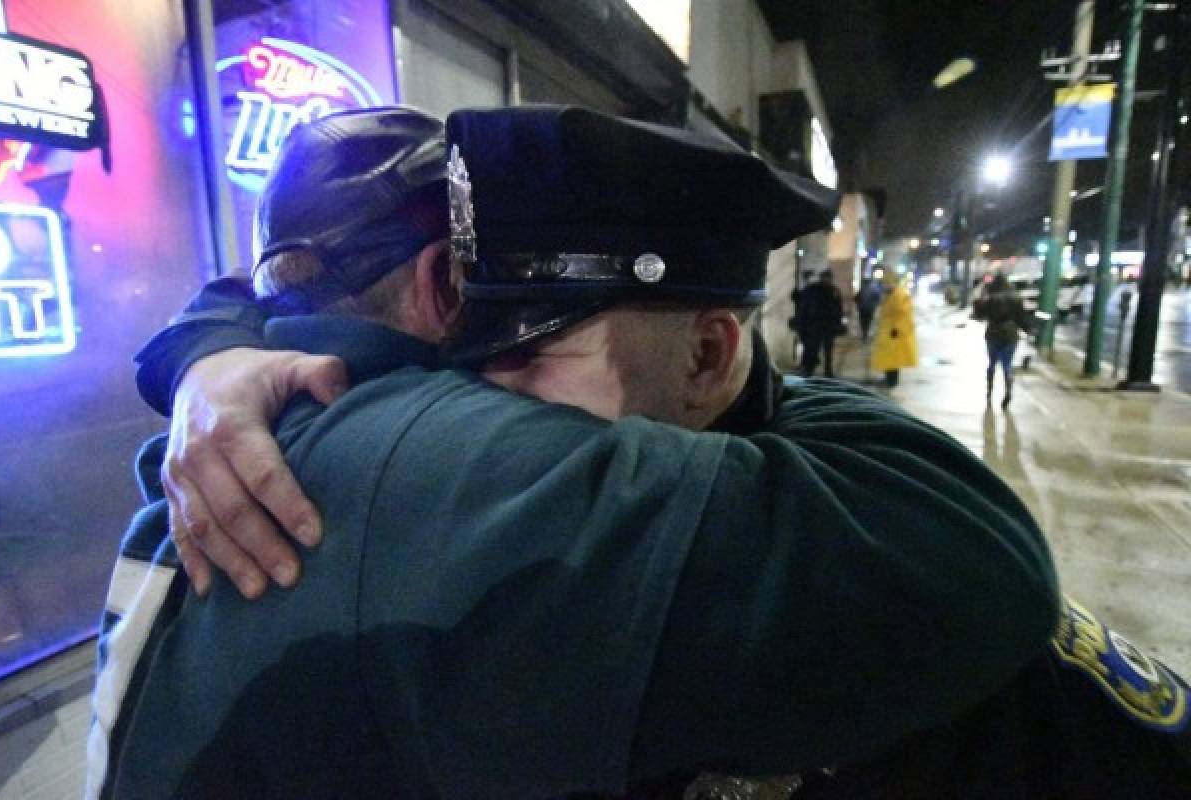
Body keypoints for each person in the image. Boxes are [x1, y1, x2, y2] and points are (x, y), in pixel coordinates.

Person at [92, 106, 1060, 798]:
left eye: (527, 352)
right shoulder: (433, 467)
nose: (491, 394)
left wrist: (208, 348)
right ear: (441, 282)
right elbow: (979, 550)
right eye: (485, 340)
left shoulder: (272, 405)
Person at [972, 271, 1026, 409]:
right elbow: (1022, 318)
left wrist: (981, 293)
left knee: (991, 364)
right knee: (1007, 365)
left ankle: (989, 393)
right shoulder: (1015, 298)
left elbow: (978, 314)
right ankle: (1008, 391)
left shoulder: (991, 298)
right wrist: (1027, 329)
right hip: (1011, 334)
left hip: (993, 333)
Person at [792, 269, 845, 378]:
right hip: (819, 325)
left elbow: (838, 309)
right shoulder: (828, 290)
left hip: (819, 325)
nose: (828, 280)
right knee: (819, 349)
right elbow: (802, 302)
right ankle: (819, 370)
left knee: (819, 348)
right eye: (828, 278)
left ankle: (816, 370)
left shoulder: (827, 290)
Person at [869, 275, 918, 387]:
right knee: (888, 357)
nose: (884, 286)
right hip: (888, 332)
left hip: (894, 333)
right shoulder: (890, 294)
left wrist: (897, 328)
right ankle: (888, 378)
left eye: (886, 283)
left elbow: (903, 313)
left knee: (894, 359)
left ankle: (892, 381)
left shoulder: (900, 295)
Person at [855, 279, 880, 343]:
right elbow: (878, 299)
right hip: (869, 309)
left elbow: (855, 298)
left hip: (863, 309)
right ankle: (865, 333)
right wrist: (874, 305)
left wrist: (858, 305)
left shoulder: (862, 290)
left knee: (863, 322)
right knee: (867, 322)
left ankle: (864, 333)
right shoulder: (872, 290)